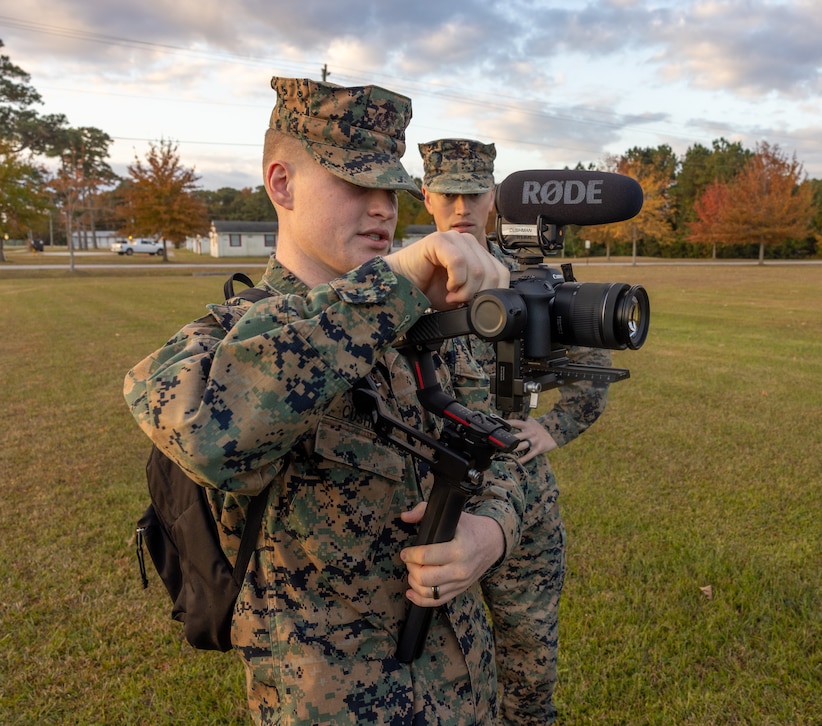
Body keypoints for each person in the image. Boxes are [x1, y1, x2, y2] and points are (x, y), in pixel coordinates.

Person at [124, 78, 526, 724]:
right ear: (281, 184)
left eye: (389, 190)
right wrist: (389, 283)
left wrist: (490, 531)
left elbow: (503, 448)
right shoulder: (222, 342)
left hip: (464, 689)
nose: (381, 210)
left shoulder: (423, 327)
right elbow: (210, 437)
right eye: (353, 184)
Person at [418, 138, 613, 724]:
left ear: (493, 196)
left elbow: (592, 372)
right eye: (448, 193)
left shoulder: (529, 273)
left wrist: (550, 429)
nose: (461, 207)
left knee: (529, 656)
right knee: (433, 662)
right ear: (426, 196)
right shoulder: (400, 277)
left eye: (474, 193)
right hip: (432, 490)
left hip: (521, 493)